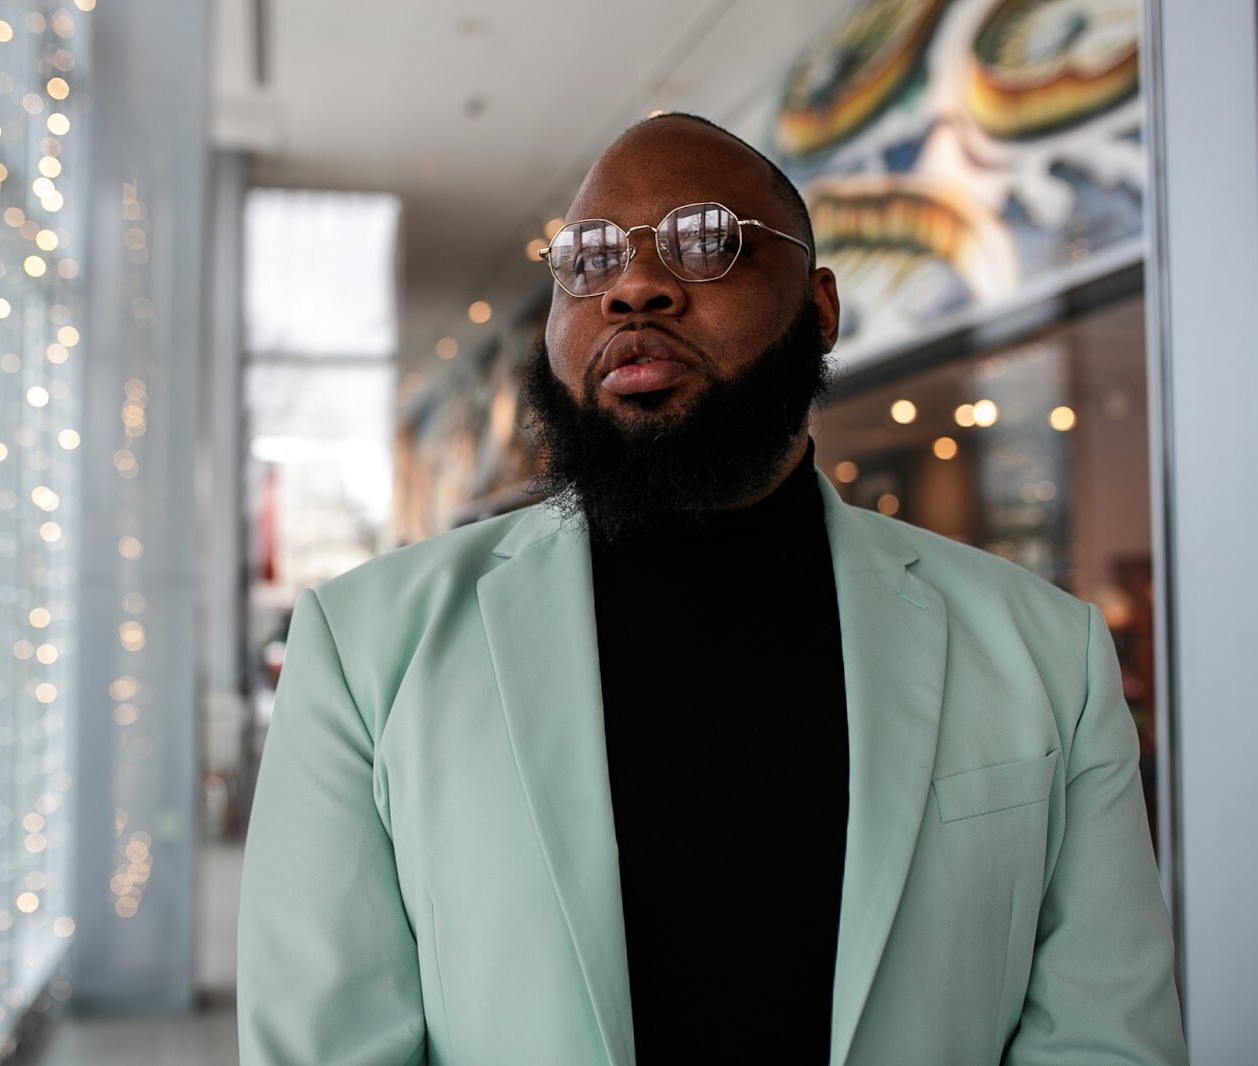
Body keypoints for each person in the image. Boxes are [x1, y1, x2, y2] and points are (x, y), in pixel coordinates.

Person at [237, 112, 1187, 1065]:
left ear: (819, 307)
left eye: (705, 240)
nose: (634, 286)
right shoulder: (368, 651)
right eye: (588, 260)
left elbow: (1105, 1041)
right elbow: (327, 1042)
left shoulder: (1043, 652)